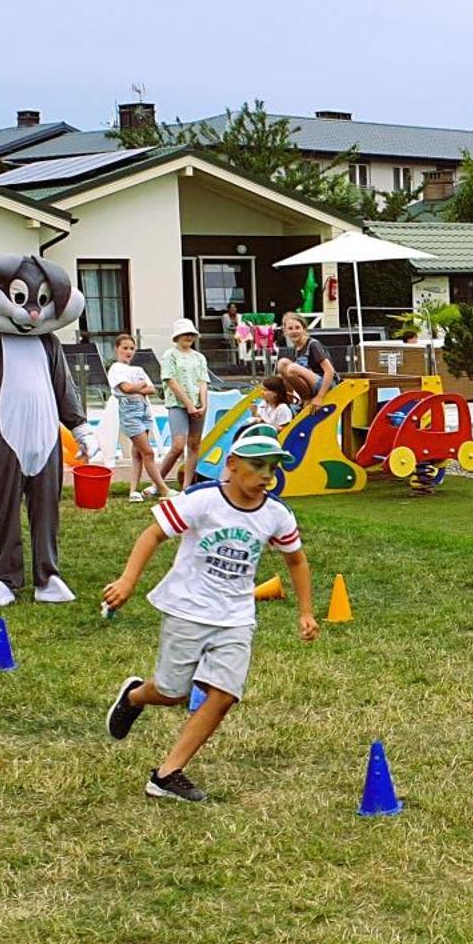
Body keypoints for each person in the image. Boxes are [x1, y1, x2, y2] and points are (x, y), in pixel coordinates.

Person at [100, 427, 317, 802]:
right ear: (232, 465)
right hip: (187, 609)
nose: (267, 476)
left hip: (236, 617)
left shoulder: (277, 515)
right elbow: (153, 535)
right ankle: (135, 696)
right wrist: (127, 580)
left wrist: (306, 612)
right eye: (257, 465)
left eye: (273, 468)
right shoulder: (201, 500)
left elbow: (296, 560)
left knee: (223, 694)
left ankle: (167, 774)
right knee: (172, 691)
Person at [107, 334, 169, 503]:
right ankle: (163, 488)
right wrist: (140, 386)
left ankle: (133, 491)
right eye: (125, 348)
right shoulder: (116, 369)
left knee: (138, 453)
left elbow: (151, 389)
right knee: (148, 452)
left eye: (131, 348)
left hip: (144, 410)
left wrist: (138, 387)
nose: (128, 351)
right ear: (117, 349)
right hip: (130, 410)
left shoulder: (137, 370)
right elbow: (126, 388)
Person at [157, 318, 209, 490]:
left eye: (191, 334)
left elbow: (203, 381)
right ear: (177, 336)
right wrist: (188, 404)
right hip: (177, 404)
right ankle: (158, 482)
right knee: (178, 445)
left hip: (197, 404)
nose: (188, 337)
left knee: (194, 444)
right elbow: (171, 381)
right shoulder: (170, 355)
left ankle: (187, 486)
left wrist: (204, 404)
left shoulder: (199, 357)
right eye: (185, 334)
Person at [276, 311, 338, 405]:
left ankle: (307, 400)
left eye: (297, 328)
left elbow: (329, 370)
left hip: (326, 385)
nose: (294, 331)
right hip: (311, 384)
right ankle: (289, 401)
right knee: (282, 363)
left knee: (292, 368)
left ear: (304, 329)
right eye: (290, 328)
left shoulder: (313, 345)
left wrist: (319, 397)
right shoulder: (296, 348)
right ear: (285, 332)